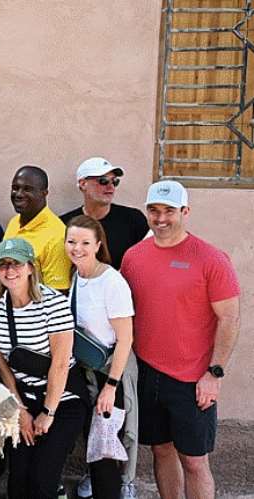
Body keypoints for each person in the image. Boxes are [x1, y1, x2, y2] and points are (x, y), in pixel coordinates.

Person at [120, 181, 240, 499]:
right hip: (146, 372)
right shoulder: (133, 257)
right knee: (161, 450)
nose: (161, 219)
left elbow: (229, 318)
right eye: (154, 211)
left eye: (169, 211)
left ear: (185, 212)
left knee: (195, 462)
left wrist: (214, 374)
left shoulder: (211, 259)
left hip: (192, 379)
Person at [0, 238, 85, 499]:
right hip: (22, 398)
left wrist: (48, 412)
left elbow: (61, 364)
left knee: (43, 480)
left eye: (16, 264)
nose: (9, 271)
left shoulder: (54, 304)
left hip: (62, 399)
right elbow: (2, 365)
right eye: (3, 265)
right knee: (18, 479)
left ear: (30, 267)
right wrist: (19, 411)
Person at [65, 215, 137, 499]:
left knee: (107, 449)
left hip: (110, 373)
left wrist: (111, 386)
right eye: (71, 241)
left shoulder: (112, 282)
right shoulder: (77, 277)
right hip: (87, 371)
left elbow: (125, 339)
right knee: (94, 446)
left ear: (98, 245)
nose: (77, 248)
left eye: (84, 242)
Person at [60, 157, 148, 269]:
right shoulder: (65, 224)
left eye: (115, 182)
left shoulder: (134, 219)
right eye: (103, 181)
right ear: (83, 184)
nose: (110, 187)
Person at [3, 165, 71, 291]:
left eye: (27, 189)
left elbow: (58, 295)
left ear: (44, 193)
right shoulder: (14, 222)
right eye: (15, 188)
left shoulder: (57, 237)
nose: (19, 194)